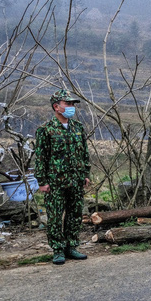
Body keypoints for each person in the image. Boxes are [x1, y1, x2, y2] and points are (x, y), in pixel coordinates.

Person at [34, 89, 91, 265]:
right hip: (55, 182)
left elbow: (84, 154)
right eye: (68, 104)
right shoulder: (46, 130)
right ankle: (58, 249)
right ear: (56, 107)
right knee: (55, 217)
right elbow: (41, 157)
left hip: (75, 180)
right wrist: (42, 181)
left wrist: (86, 174)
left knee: (74, 215)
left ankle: (71, 246)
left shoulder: (78, 128)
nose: (72, 107)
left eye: (73, 104)